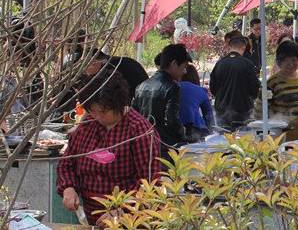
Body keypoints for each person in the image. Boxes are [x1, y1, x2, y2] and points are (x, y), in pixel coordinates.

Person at [58, 72, 161, 225]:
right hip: (89, 216)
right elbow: (67, 163)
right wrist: (68, 187)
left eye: (103, 111)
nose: (97, 116)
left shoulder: (139, 130)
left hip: (128, 220)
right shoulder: (86, 126)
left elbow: (150, 183)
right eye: (92, 111)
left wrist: (121, 211)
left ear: (118, 104)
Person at [132, 44, 189, 154]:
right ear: (174, 64)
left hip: (144, 143)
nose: (185, 71)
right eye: (183, 67)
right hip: (165, 145)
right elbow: (171, 120)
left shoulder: (141, 86)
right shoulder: (172, 87)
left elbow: (134, 116)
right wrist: (183, 133)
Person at [210, 36, 262, 130]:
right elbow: (254, 88)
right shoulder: (247, 64)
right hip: (242, 111)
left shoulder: (219, 64)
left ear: (229, 47)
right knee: (242, 138)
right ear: (243, 47)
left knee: (224, 137)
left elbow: (213, 88)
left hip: (222, 110)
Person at [267, 40, 298, 141]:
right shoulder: (272, 82)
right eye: (286, 60)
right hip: (281, 139)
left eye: (294, 60)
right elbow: (262, 110)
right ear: (279, 62)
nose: (290, 64)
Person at [179, 64, 215, 142]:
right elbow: (208, 115)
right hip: (196, 130)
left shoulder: (171, 87)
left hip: (175, 130)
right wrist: (211, 132)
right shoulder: (200, 90)